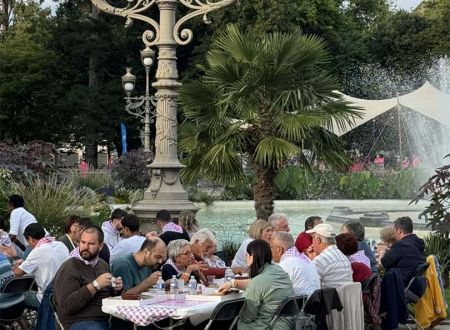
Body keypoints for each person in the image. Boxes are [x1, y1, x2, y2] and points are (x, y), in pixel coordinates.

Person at [53, 226, 123, 330]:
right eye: (83, 242)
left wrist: (117, 289)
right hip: (80, 321)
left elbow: (108, 294)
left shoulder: (102, 265)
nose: (85, 247)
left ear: (100, 246)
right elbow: (67, 306)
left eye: (91, 244)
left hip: (107, 317)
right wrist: (95, 285)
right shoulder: (70, 267)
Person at [218, 239, 294, 330]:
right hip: (286, 323)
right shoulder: (278, 270)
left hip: (269, 326)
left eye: (247, 255)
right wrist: (234, 283)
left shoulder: (258, 282)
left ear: (251, 257)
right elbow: (261, 285)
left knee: (240, 323)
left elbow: (248, 317)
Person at [13, 223, 69, 309]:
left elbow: (17, 272)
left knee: (17, 296)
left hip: (49, 299)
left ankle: (26, 322)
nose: (29, 244)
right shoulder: (60, 245)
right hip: (66, 293)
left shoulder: (37, 252)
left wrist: (17, 264)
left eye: (27, 241)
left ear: (31, 239)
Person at [270, 231, 320, 296]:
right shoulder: (305, 259)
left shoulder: (285, 265)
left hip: (301, 304)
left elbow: (274, 293)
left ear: (279, 249)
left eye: (271, 247)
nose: (270, 250)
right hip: (315, 302)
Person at [381, 217, 425, 288]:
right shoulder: (418, 243)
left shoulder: (402, 245)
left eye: (394, 231)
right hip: (415, 286)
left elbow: (385, 263)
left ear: (399, 231)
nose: (394, 235)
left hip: (399, 286)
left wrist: (382, 253)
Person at [307, 223, 353, 288]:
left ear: (318, 240)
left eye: (312, 238)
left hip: (331, 297)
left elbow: (312, 287)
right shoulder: (343, 257)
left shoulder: (321, 260)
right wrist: (313, 259)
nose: (312, 242)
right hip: (346, 297)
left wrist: (313, 261)